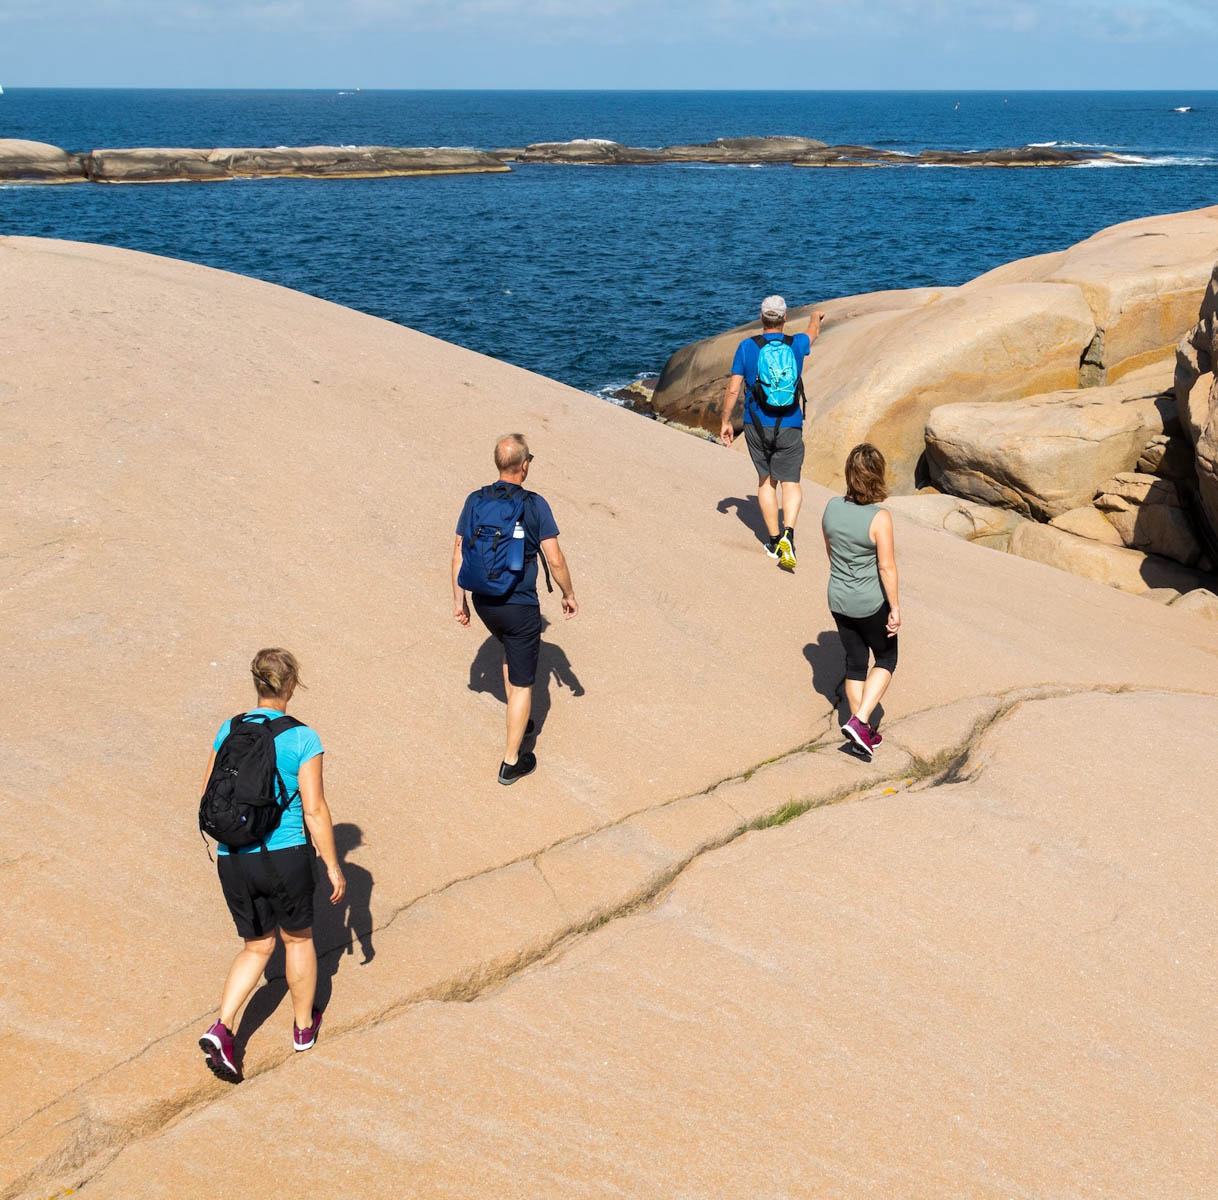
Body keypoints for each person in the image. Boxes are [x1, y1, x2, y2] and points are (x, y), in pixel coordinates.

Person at [198, 649, 346, 1082]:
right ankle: (303, 1028)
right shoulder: (303, 738)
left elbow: (209, 792)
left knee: (257, 946)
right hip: (284, 857)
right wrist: (333, 866)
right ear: (292, 685)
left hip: (233, 858)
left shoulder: (230, 729)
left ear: (257, 683)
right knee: (297, 942)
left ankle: (222, 1026)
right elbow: (315, 809)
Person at [453, 434, 578, 785]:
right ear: (524, 466)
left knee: (510, 650)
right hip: (519, 604)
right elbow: (555, 558)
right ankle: (511, 762)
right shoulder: (534, 504)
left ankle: (519, 720)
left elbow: (458, 551)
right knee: (524, 685)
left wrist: (458, 601)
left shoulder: (475, 499)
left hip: (483, 602)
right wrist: (568, 593)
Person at [720, 295, 824, 570]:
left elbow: (733, 388)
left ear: (762, 317)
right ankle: (789, 532)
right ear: (785, 318)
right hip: (790, 422)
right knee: (791, 482)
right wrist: (815, 317)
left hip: (756, 423)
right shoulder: (796, 343)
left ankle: (775, 540)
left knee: (766, 481)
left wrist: (726, 421)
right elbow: (812, 333)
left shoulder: (747, 346)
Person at [820, 444, 901, 758]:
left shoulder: (830, 507)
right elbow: (887, 566)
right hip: (868, 602)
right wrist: (894, 608)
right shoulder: (879, 517)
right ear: (877, 477)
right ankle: (861, 720)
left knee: (855, 664)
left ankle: (861, 734)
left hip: (838, 598)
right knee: (886, 658)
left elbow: (830, 551)